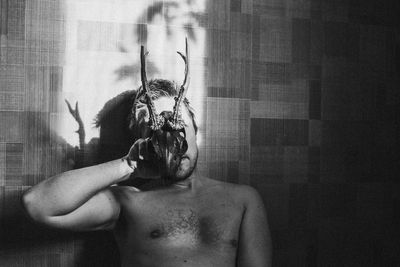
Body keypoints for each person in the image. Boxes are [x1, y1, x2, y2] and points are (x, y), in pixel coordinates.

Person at [22, 43, 272, 267]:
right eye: (153, 131)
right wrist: (127, 164)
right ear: (140, 142)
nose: (170, 139)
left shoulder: (243, 199)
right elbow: (38, 205)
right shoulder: (129, 202)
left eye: (179, 125)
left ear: (195, 130)